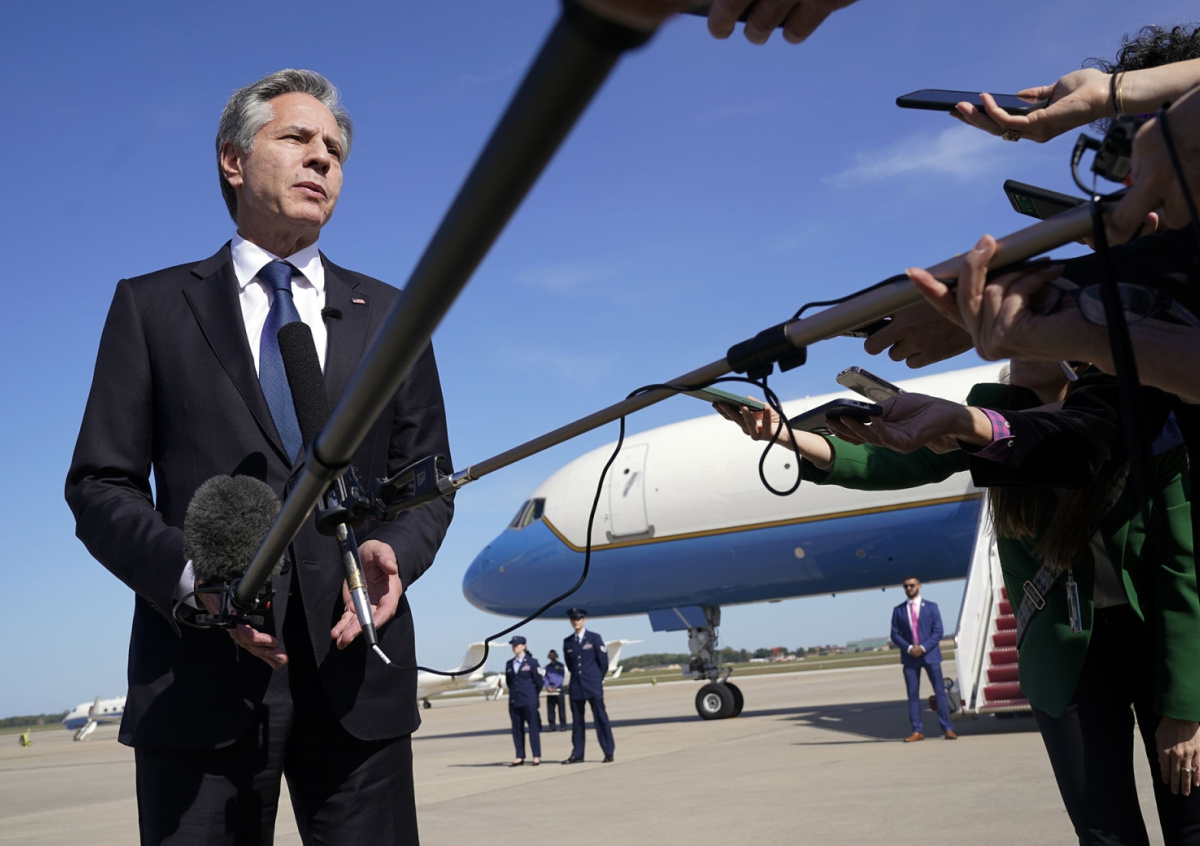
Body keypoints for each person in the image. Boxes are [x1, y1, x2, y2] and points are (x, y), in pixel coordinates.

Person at [64, 69, 454, 845]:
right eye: (298, 138)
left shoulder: (391, 314)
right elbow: (100, 485)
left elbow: (427, 482)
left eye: (335, 149)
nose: (323, 158)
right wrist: (195, 583)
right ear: (233, 160)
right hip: (197, 681)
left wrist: (399, 553)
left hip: (357, 677)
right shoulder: (151, 307)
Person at [890, 577, 955, 742]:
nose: (909, 588)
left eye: (912, 585)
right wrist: (909, 648)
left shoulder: (932, 607)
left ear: (919, 586)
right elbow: (895, 634)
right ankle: (917, 731)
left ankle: (947, 728)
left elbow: (938, 631)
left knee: (939, 692)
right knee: (913, 695)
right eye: (905, 586)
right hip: (910, 657)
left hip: (930, 655)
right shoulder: (898, 610)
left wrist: (923, 647)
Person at [562, 608, 615, 764]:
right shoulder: (567, 641)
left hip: (592, 685)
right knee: (577, 722)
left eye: (578, 619)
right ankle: (577, 754)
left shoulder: (594, 638)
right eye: (573, 619)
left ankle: (608, 751)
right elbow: (570, 664)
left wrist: (596, 679)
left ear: (584, 620)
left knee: (600, 719)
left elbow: (603, 662)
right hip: (576, 686)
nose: (576, 621)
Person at [505, 636, 543, 766]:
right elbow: (509, 682)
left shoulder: (532, 662)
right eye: (513, 645)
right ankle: (519, 756)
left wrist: (532, 695)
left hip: (529, 700)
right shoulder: (509, 664)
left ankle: (536, 755)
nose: (514, 647)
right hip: (515, 700)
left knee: (533, 728)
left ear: (524, 646)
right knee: (517, 729)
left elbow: (538, 681)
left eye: (517, 645)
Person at [544, 649, 567, 731]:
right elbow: (546, 678)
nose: (552, 656)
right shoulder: (547, 667)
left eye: (553, 655)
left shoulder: (560, 665)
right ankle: (552, 725)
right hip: (550, 689)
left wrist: (555, 687)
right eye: (551, 655)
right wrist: (548, 687)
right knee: (550, 709)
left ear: (556, 656)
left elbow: (561, 677)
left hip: (558, 689)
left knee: (561, 708)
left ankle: (563, 725)